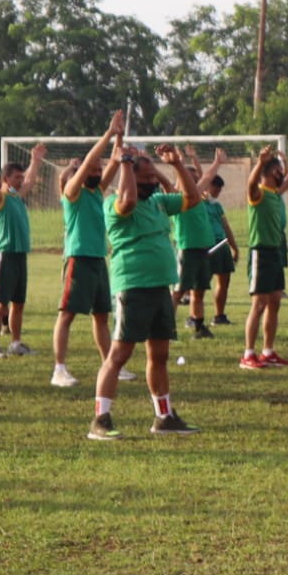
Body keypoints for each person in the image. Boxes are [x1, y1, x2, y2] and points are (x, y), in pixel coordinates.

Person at [89, 141, 201, 441]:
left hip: (159, 288)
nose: (152, 183)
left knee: (160, 354)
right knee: (119, 355)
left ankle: (164, 417)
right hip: (133, 286)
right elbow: (126, 200)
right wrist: (124, 161)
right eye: (145, 180)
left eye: (154, 178)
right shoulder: (113, 204)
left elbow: (193, 198)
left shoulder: (158, 202)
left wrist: (177, 165)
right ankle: (100, 419)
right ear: (129, 176)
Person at [51, 111, 129, 388]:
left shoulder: (97, 192)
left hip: (98, 259)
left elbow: (118, 159)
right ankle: (59, 369)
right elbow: (89, 164)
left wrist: (119, 133)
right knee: (67, 314)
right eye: (92, 170)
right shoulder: (73, 192)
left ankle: (111, 364)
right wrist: (107, 134)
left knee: (101, 317)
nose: (97, 173)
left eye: (99, 170)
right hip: (78, 259)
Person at [239, 139, 288, 370]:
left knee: (274, 302)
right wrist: (258, 163)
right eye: (280, 169)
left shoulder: (275, 192)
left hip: (274, 253)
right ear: (273, 172)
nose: (284, 173)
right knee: (259, 303)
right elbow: (250, 184)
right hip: (260, 253)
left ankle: (268, 352)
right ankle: (248, 354)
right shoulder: (258, 194)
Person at [0, 143, 46, 358]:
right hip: (5, 256)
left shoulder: (17, 197)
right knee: (0, 304)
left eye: (21, 177)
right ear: (6, 179)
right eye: (16, 177)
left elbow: (29, 180)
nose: (21, 180)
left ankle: (15, 343)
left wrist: (35, 161)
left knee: (18, 303)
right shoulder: (0, 198)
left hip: (20, 256)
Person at [173, 146, 228, 339]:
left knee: (199, 291)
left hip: (202, 250)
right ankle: (166, 327)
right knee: (179, 292)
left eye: (195, 178)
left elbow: (205, 178)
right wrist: (216, 162)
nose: (195, 181)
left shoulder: (198, 196)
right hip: (187, 249)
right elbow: (204, 178)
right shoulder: (177, 198)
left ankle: (199, 326)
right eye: (190, 178)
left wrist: (212, 162)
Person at [203, 174, 239, 326]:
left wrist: (234, 248)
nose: (218, 191)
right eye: (215, 188)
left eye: (220, 189)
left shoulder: (217, 206)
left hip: (221, 245)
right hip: (207, 245)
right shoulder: (198, 203)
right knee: (202, 284)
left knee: (224, 281)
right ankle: (194, 317)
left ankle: (219, 316)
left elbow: (226, 226)